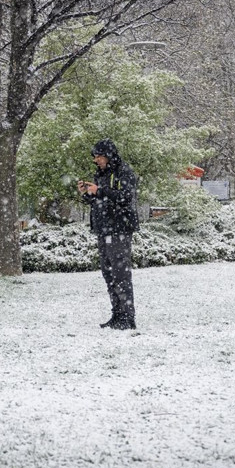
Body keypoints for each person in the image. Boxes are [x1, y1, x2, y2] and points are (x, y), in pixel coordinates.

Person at [77, 139, 139, 330]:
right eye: (95, 157)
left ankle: (127, 317)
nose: (96, 160)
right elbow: (101, 200)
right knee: (108, 273)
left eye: (99, 156)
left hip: (119, 230)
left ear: (109, 155)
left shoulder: (124, 173)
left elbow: (126, 197)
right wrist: (88, 194)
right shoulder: (101, 175)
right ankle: (117, 314)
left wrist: (100, 191)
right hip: (103, 231)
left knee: (120, 274)